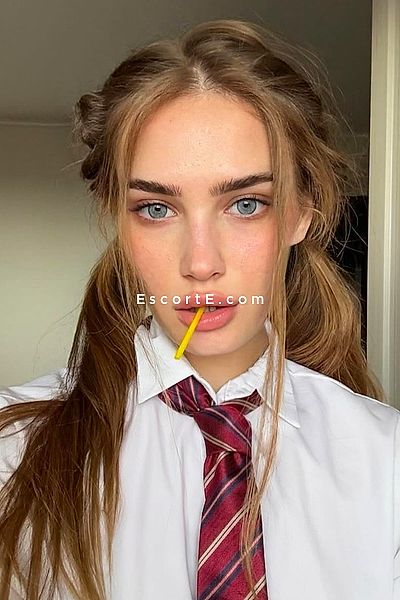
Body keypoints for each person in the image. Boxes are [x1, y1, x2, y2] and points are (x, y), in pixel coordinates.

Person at [0, 18, 399, 600]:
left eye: (246, 204)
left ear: (301, 213)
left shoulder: (387, 461)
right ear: (118, 219)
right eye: (156, 209)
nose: (201, 263)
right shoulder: (15, 449)